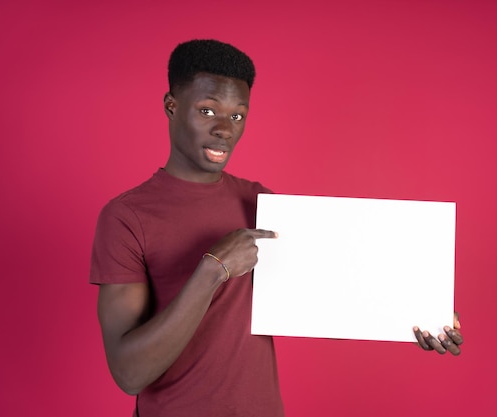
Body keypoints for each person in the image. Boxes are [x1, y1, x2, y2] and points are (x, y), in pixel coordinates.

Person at [90, 39, 463, 417]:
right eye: (207, 110)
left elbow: (336, 295)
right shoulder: (126, 217)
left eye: (238, 116)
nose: (224, 129)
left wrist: (417, 312)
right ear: (172, 107)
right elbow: (129, 373)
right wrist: (212, 269)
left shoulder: (260, 204)